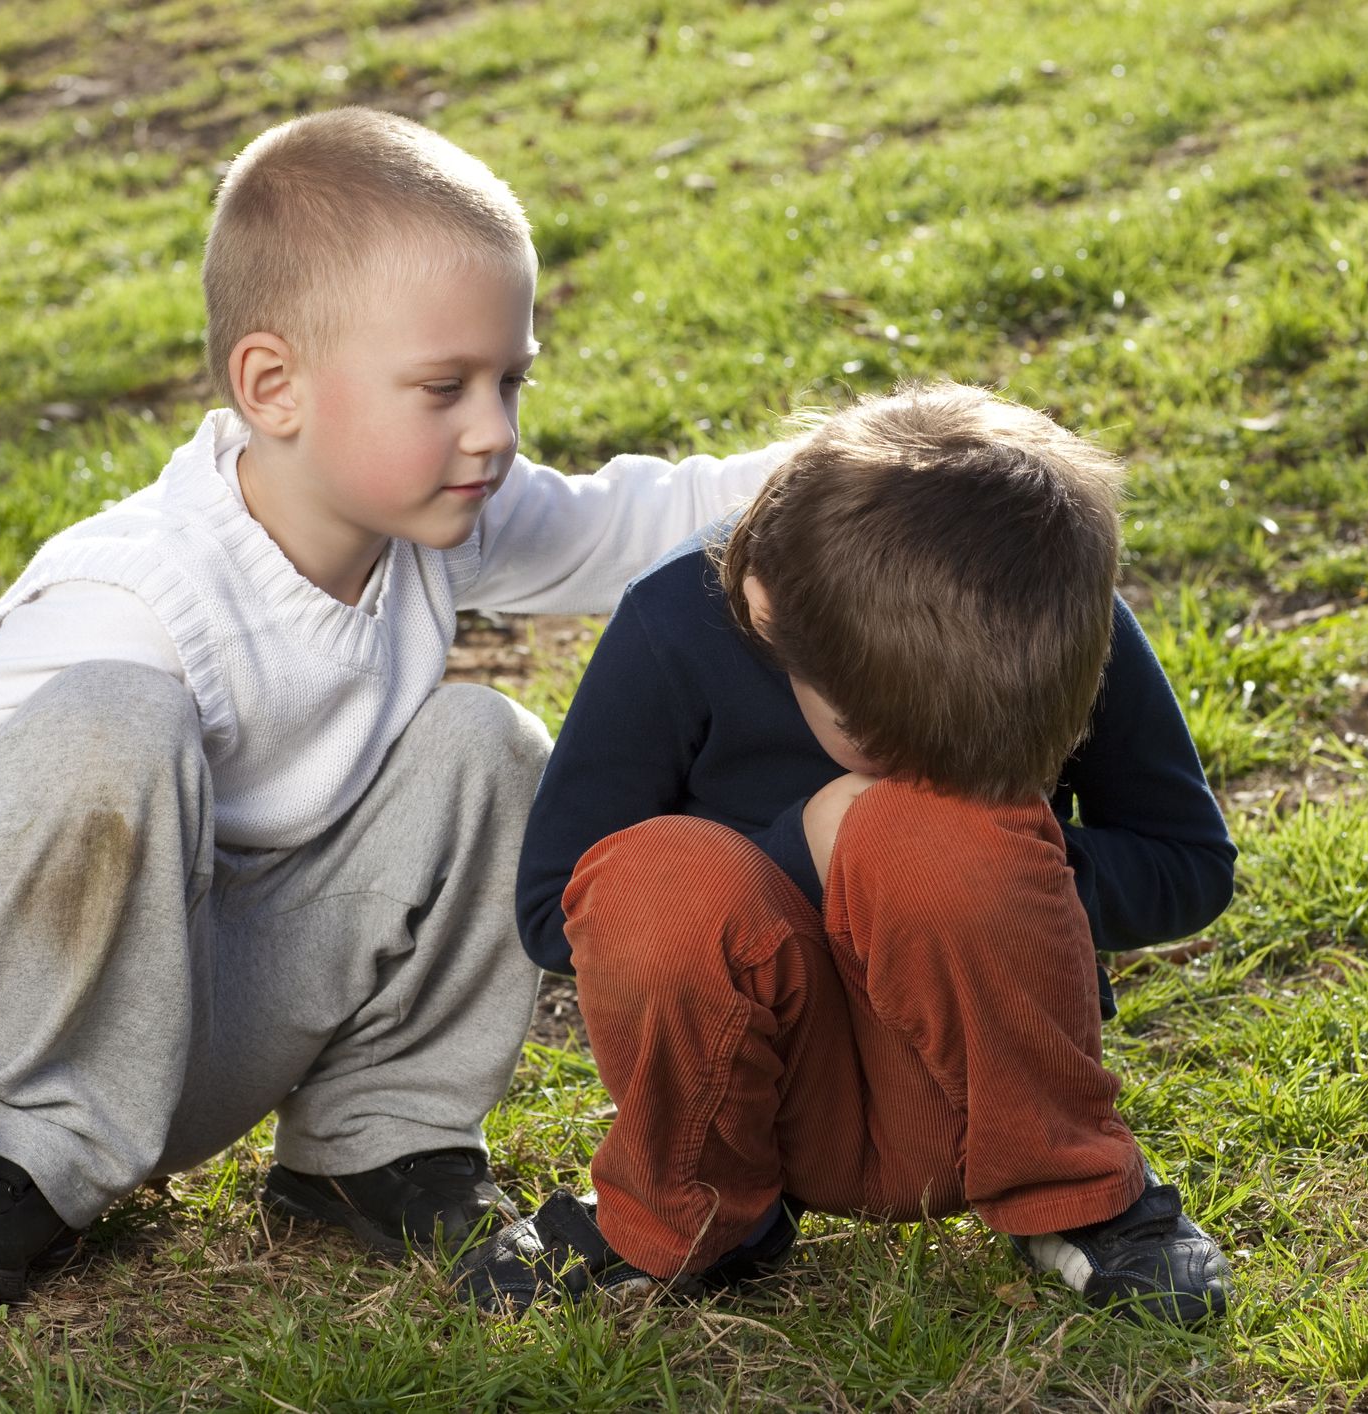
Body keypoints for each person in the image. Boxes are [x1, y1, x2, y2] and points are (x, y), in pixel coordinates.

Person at [0, 106, 782, 1303]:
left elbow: (631, 524)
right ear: (272, 386)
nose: (492, 430)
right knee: (111, 718)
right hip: (45, 1038)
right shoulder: (138, 587)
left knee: (489, 741)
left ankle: (376, 1139)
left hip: (225, 1019)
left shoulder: (432, 515)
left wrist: (870, 456)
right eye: (444, 387)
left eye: (509, 381)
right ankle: (20, 1162)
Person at [463, 381, 1237, 1325]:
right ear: (765, 611)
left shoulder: (1049, 614)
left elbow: (1187, 861)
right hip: (748, 1103)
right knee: (659, 869)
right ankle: (691, 1214)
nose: (916, 770)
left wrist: (1002, 856)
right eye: (884, 742)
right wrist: (806, 848)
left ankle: (1075, 1199)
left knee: (919, 833)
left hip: (974, 1098)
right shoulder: (672, 623)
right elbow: (556, 905)